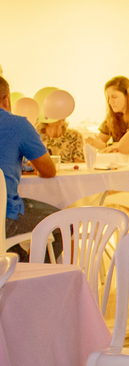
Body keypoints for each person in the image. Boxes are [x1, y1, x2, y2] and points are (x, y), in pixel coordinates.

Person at [0, 75, 58, 261]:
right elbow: (49, 171)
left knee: (10, 247)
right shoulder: (18, 125)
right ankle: (33, 270)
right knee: (64, 223)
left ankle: (17, 263)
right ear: (7, 100)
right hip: (5, 216)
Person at [88, 76, 129, 150]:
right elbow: (98, 141)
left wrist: (105, 146)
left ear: (128, 96)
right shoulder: (112, 119)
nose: (110, 102)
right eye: (108, 98)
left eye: (114, 97)